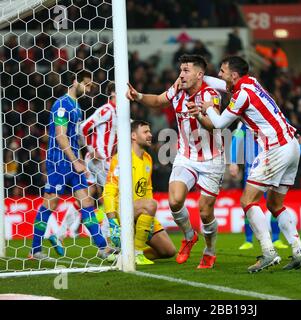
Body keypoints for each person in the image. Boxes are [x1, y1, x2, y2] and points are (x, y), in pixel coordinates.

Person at [193, 56, 301, 273]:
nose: (220, 75)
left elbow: (219, 124)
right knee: (275, 205)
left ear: (234, 75)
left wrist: (208, 107)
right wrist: (200, 77)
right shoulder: (251, 82)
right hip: (291, 145)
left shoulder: (241, 94)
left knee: (247, 201)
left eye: (222, 71)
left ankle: (268, 253)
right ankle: (298, 253)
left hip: (275, 148)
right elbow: (221, 84)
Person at [126, 54, 224, 269]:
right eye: (181, 70)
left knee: (206, 212)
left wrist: (200, 115)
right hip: (186, 157)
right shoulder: (178, 88)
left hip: (211, 160)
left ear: (199, 74)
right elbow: (159, 101)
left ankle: (209, 251)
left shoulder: (210, 95)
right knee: (175, 200)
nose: (181, 74)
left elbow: (215, 125)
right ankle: (189, 236)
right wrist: (139, 95)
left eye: (186, 70)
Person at [29, 70, 116, 260]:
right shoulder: (62, 104)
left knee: (86, 202)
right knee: (50, 203)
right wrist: (75, 160)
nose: (89, 88)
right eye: (87, 84)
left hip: (74, 161)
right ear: (75, 81)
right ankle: (35, 250)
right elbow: (60, 135)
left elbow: (75, 134)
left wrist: (87, 149)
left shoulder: (76, 106)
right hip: (58, 161)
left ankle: (102, 247)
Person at [103, 120, 176, 265]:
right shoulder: (121, 158)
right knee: (150, 204)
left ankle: (123, 254)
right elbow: (109, 190)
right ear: (133, 136)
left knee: (168, 251)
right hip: (122, 211)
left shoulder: (148, 159)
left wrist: (148, 219)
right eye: (145, 132)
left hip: (142, 211)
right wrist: (112, 221)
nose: (150, 135)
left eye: (149, 131)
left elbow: (147, 189)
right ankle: (137, 252)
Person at [56, 81, 118, 242]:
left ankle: (61, 233)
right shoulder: (106, 110)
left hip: (105, 161)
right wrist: (91, 149)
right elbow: (83, 127)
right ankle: (107, 238)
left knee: (86, 197)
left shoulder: (118, 112)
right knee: (113, 195)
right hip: (98, 161)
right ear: (112, 93)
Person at [230, 121, 289, 250]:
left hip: (272, 167)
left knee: (274, 204)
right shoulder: (245, 122)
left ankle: (276, 238)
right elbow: (236, 139)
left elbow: (289, 135)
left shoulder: (275, 118)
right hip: (252, 169)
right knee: (248, 203)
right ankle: (249, 240)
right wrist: (233, 161)